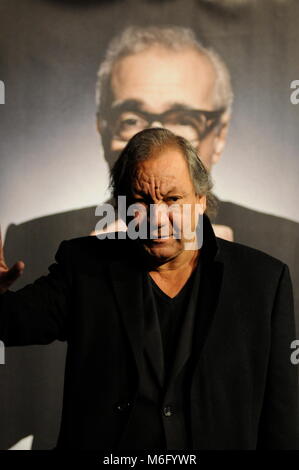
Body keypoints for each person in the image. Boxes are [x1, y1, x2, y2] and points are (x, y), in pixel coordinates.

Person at [2, 25, 299, 450]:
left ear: (200, 199)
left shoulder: (264, 281)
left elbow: (281, 419)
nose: (157, 220)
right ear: (120, 204)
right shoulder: (84, 266)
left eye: (173, 200)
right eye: (141, 201)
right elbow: (11, 325)